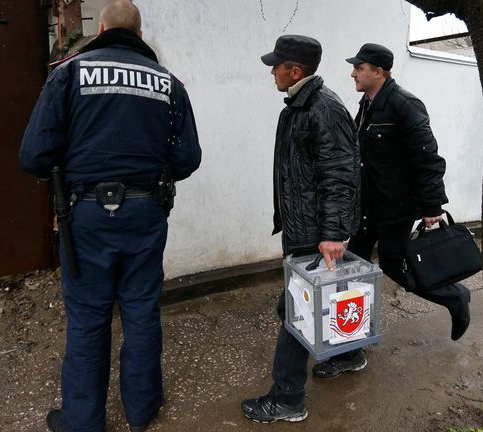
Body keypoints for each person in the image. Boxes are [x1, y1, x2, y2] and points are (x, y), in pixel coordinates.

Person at [19, 1, 201, 431]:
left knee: (88, 317)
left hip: (85, 217)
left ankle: (82, 420)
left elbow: (34, 156)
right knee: (141, 311)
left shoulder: (67, 74)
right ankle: (142, 410)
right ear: (140, 36)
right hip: (145, 212)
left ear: (99, 29)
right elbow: (187, 157)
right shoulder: (169, 84)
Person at [310, 43, 471, 381]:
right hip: (368, 208)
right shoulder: (367, 106)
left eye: (360, 67)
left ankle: (455, 296)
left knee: (397, 269)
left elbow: (428, 158)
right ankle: (350, 351)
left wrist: (431, 208)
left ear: (378, 72)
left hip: (395, 210)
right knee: (348, 273)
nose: (353, 73)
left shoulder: (404, 105)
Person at [240, 35, 359, 424]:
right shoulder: (297, 106)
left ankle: (288, 398)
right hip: (303, 228)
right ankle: (347, 353)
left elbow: (340, 175)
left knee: (296, 311)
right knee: (312, 302)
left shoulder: (323, 108)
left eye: (276, 65)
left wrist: (332, 233)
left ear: (296, 70)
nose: (271, 70)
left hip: (314, 233)